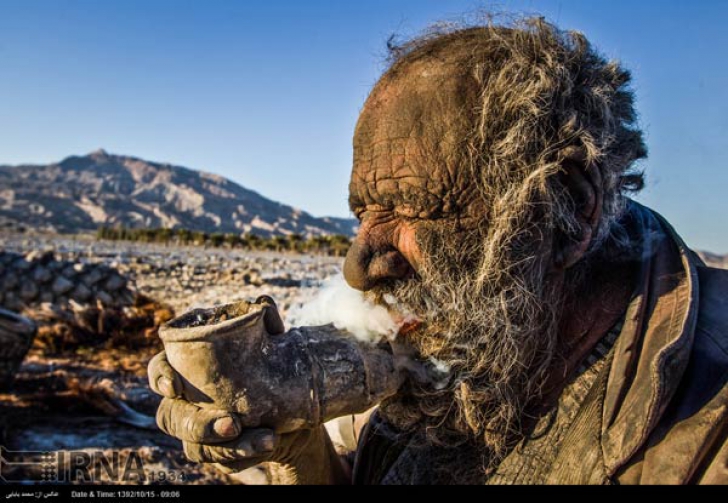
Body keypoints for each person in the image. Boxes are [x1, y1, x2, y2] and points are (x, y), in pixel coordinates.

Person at [148, 17, 728, 484]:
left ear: (566, 208)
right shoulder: (456, 353)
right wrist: (299, 456)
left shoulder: (707, 433)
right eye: (363, 212)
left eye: (411, 207)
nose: (359, 268)